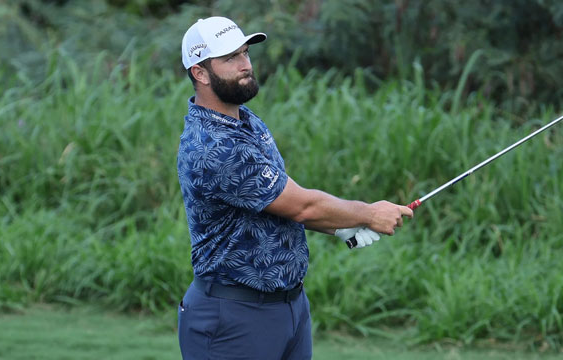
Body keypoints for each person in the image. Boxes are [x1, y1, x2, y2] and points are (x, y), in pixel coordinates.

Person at [176, 16, 413, 360]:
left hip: (288, 309)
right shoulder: (213, 146)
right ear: (199, 72)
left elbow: (282, 199)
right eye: (231, 58)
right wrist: (370, 213)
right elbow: (302, 206)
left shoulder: (244, 119)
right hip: (233, 316)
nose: (246, 65)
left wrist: (341, 224)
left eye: (245, 53)